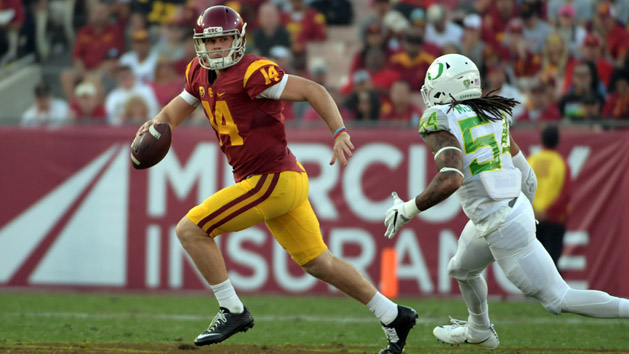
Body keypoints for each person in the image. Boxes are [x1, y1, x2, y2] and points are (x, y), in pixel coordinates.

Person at [135, 6, 417, 354]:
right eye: (212, 41)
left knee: (190, 229)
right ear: (200, 44)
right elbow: (175, 111)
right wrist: (156, 126)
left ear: (237, 39)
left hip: (271, 179)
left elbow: (313, 90)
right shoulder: (197, 70)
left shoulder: (254, 71)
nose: (219, 48)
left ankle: (232, 309)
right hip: (280, 181)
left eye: (224, 40)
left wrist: (339, 131)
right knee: (318, 262)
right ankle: (393, 315)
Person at [383, 53, 629, 349]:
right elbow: (529, 178)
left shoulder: (440, 117)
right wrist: (519, 211)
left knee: (557, 299)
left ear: (445, 87)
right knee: (460, 269)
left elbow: (451, 178)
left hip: (501, 223)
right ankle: (479, 329)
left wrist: (407, 210)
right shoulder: (493, 113)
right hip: (505, 213)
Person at [527, 126, 572, 271]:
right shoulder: (562, 163)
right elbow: (565, 194)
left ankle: (533, 293)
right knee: (552, 262)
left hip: (533, 218)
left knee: (534, 261)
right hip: (554, 220)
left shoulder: (532, 160)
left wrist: (534, 211)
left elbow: (522, 188)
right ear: (557, 141)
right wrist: (548, 211)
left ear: (542, 140)